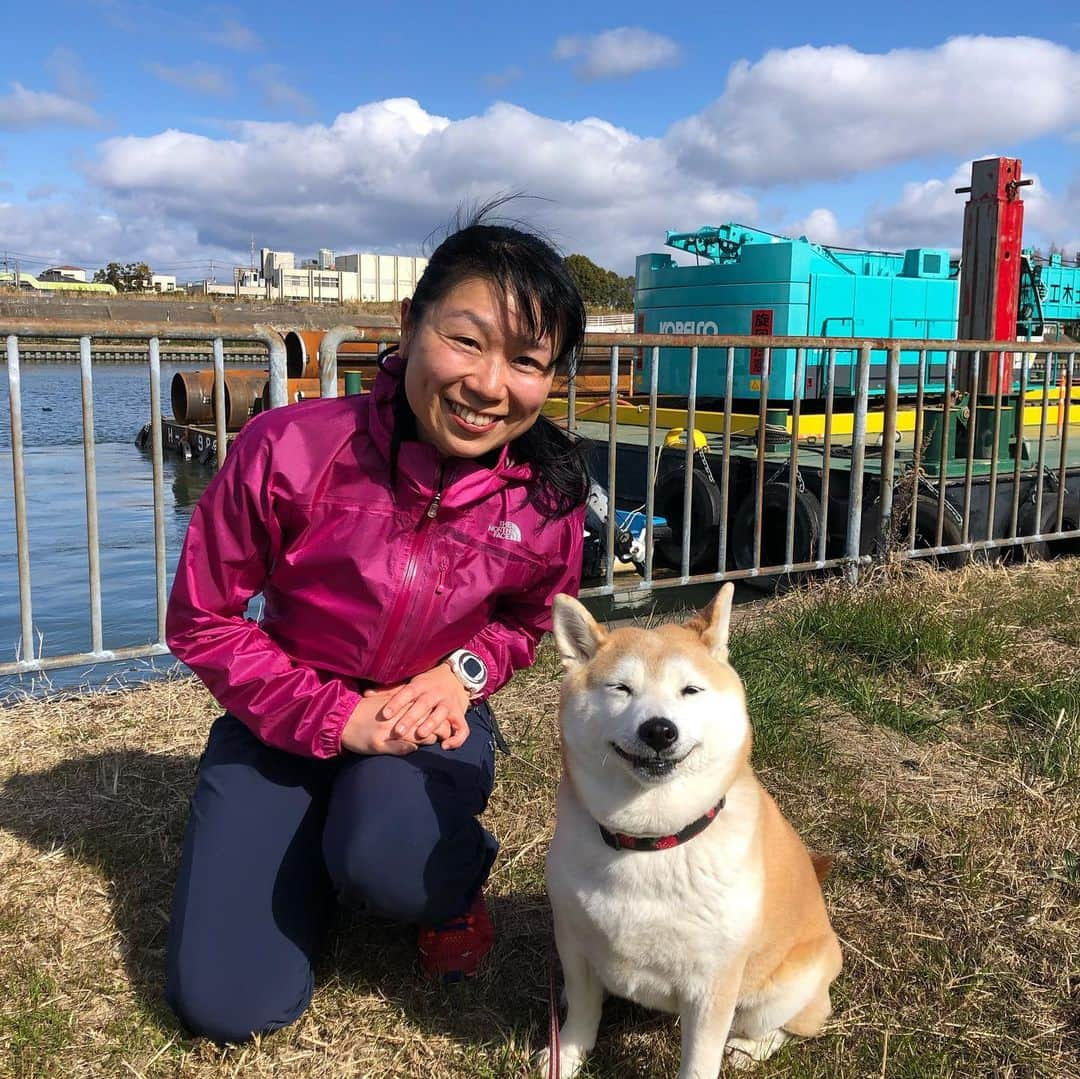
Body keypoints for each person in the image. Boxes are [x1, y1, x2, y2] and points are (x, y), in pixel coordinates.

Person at [163, 205, 590, 1045]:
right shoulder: (287, 446)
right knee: (228, 1003)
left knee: (394, 862)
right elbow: (204, 617)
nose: (489, 385)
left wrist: (459, 676)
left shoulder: (546, 498)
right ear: (409, 324)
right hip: (283, 719)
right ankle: (302, 850)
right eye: (466, 340)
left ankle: (441, 880)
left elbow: (526, 622)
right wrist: (335, 715)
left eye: (528, 362)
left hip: (423, 724)